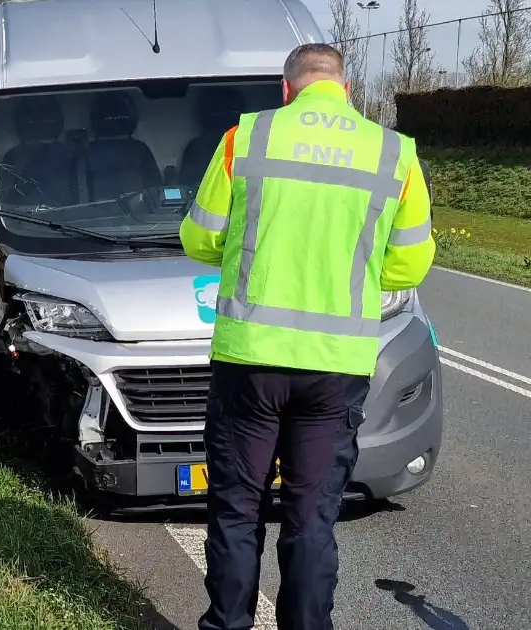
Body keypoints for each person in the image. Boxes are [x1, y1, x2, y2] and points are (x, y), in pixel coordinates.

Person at [179, 43, 435, 630]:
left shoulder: (245, 139)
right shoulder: (395, 154)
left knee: (238, 510)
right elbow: (409, 264)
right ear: (347, 89)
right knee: (311, 519)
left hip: (251, 362)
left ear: (286, 88)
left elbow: (199, 238)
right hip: (335, 367)